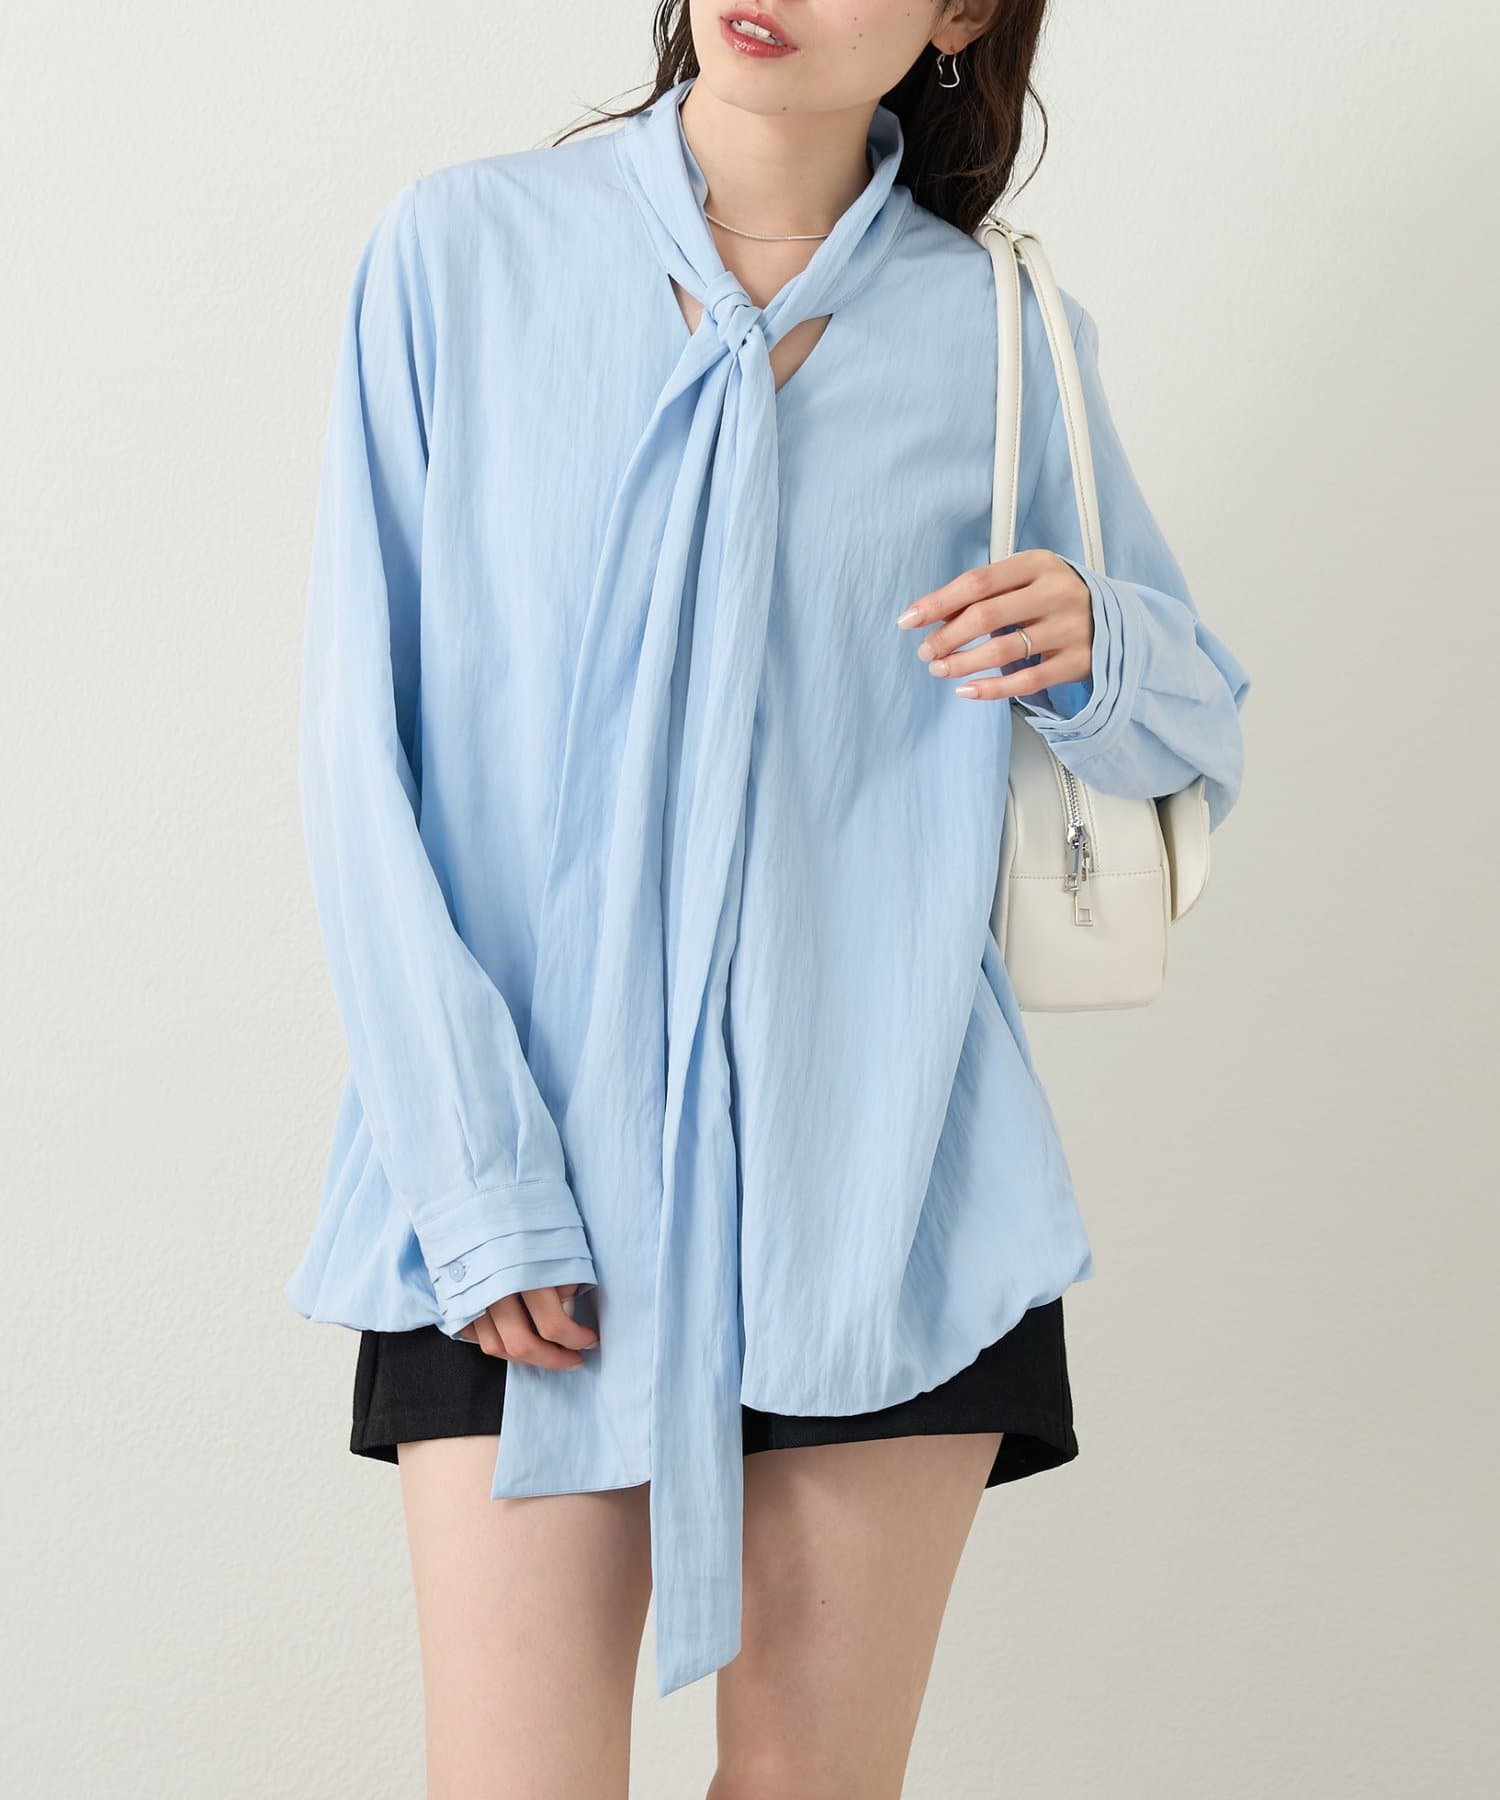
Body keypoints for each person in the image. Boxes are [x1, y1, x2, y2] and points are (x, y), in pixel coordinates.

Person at [284, 3, 1251, 1792]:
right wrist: (476, 1182)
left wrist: (1097, 643)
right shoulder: (461, 256)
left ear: (961, 13)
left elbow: (1198, 728)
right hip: (523, 1174)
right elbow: (361, 754)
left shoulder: (999, 333)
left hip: (880, 1187)